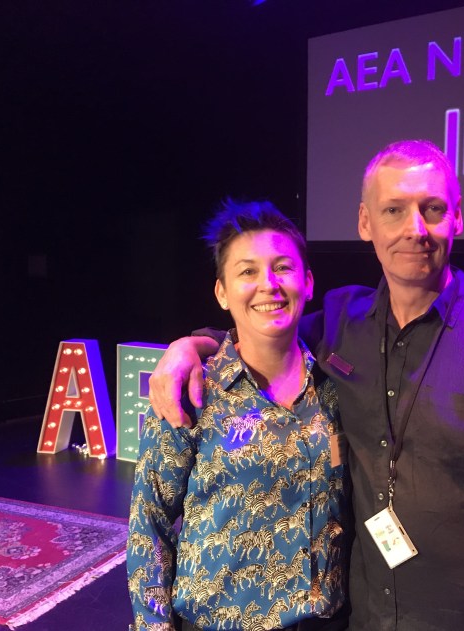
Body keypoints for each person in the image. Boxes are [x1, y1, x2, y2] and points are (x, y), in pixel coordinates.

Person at [150, 141, 464, 630]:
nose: (415, 229)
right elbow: (263, 332)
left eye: (432, 209)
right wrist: (193, 344)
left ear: (457, 218)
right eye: (394, 210)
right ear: (365, 223)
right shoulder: (339, 324)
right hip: (371, 617)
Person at [127, 199, 351, 631]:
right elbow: (149, 525)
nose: (268, 284)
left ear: (307, 282)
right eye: (247, 271)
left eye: (282, 268)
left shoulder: (336, 386)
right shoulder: (192, 390)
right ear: (222, 292)